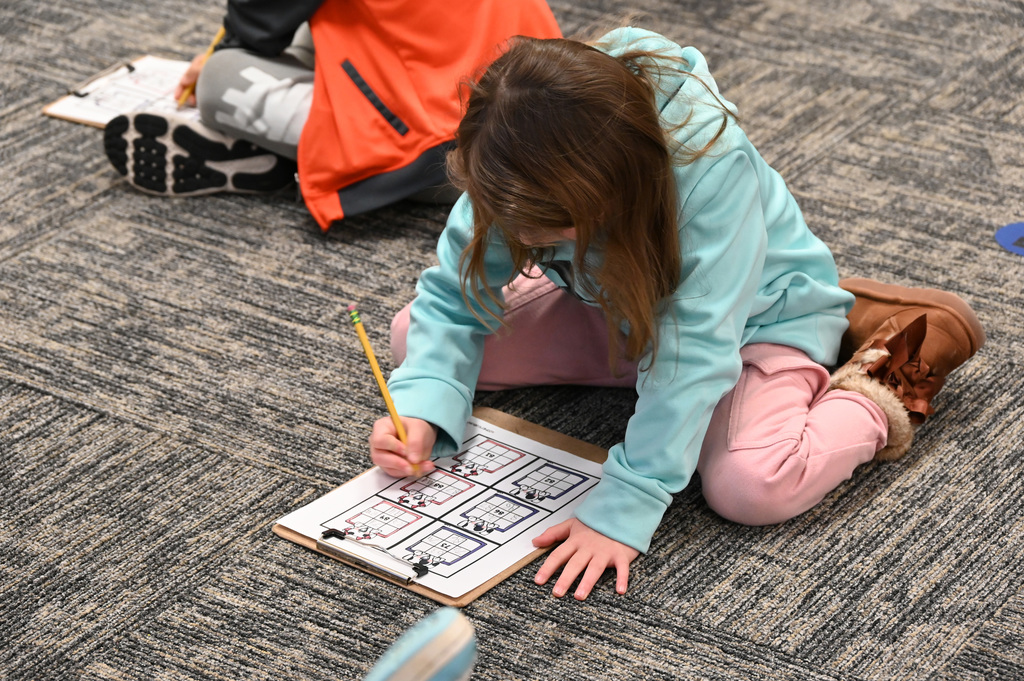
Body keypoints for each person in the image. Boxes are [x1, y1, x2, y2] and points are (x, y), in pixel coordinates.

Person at [367, 27, 986, 601]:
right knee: (411, 340)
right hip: (619, 308)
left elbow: (692, 355)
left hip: (754, 324)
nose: (518, 235)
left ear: (610, 191)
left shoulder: (710, 174)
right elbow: (455, 294)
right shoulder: (514, 156)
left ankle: (882, 369)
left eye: (543, 227)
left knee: (752, 486)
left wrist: (625, 504)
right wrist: (423, 403)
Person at [102, 0, 561, 231]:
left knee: (221, 81)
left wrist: (222, 50)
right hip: (545, 109)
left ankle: (295, 158)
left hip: (455, 157)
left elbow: (256, 25)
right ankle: (292, 153)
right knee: (311, 26)